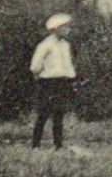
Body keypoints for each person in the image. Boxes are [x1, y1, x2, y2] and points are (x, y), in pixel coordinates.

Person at [29, 12, 77, 150]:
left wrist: (71, 78)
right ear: (56, 28)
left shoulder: (65, 45)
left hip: (62, 82)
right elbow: (35, 66)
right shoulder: (45, 45)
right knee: (43, 114)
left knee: (59, 114)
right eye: (64, 27)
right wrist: (39, 76)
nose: (68, 29)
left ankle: (58, 145)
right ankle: (35, 145)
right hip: (47, 83)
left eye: (68, 27)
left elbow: (67, 65)